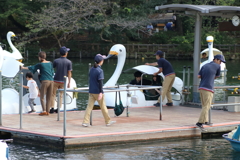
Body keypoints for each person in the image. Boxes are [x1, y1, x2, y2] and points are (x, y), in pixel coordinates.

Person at [82, 54, 116, 127]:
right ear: (101, 61)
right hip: (98, 91)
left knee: (89, 107)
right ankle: (108, 121)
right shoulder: (100, 70)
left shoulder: (91, 69)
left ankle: (85, 122)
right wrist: (101, 92)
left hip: (91, 91)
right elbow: (100, 82)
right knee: (103, 107)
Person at [196, 54, 225, 130]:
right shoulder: (217, 66)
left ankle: (205, 120)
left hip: (201, 87)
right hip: (208, 88)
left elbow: (198, 76)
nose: (220, 63)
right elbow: (216, 76)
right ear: (216, 59)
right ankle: (200, 123)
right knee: (207, 106)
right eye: (220, 61)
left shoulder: (204, 65)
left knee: (204, 105)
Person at [21, 51, 54, 116]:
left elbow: (32, 67)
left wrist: (22, 67)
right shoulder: (50, 63)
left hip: (45, 81)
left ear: (40, 57)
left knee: (42, 97)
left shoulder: (40, 64)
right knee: (49, 97)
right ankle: (48, 111)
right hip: (51, 81)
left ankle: (44, 111)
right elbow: (52, 72)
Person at [50, 46, 72, 114]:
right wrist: (69, 82)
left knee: (53, 94)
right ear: (66, 53)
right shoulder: (69, 62)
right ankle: (58, 108)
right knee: (60, 95)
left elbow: (51, 69)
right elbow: (69, 72)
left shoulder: (56, 61)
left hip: (55, 80)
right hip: (63, 81)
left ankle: (52, 107)